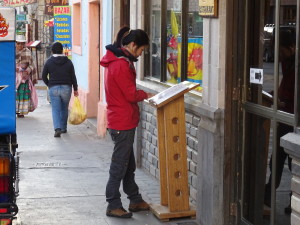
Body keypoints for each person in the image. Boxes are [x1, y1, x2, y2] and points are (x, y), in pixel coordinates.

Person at [100, 27, 154, 218]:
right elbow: (131, 94)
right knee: (119, 166)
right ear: (132, 45)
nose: (141, 54)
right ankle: (113, 203)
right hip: (122, 122)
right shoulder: (121, 65)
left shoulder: (117, 61)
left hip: (121, 120)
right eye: (141, 50)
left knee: (127, 165)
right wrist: (147, 94)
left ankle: (135, 199)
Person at [264, 28, 295, 214]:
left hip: (293, 118)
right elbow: (285, 86)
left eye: (281, 50)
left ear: (291, 47)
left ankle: (294, 202)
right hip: (284, 115)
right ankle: (266, 198)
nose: (278, 55)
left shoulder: (296, 64)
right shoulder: (286, 61)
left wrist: (283, 99)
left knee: (294, 163)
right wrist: (276, 96)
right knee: (276, 159)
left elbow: (292, 90)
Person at [42, 42, 78, 138]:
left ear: (52, 51)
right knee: (64, 108)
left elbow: (43, 76)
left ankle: (57, 129)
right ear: (62, 50)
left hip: (53, 88)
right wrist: (75, 88)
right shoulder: (68, 62)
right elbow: (73, 76)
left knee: (56, 109)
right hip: (67, 87)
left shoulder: (49, 62)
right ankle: (63, 128)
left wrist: (49, 84)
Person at [15, 35, 38, 118]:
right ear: (15, 44)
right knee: (15, 94)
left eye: (22, 44)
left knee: (23, 93)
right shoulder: (11, 52)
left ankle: (21, 111)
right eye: (18, 43)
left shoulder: (28, 52)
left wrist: (27, 70)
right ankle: (15, 110)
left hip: (24, 78)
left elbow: (32, 65)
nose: (20, 45)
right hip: (14, 77)